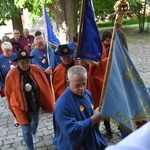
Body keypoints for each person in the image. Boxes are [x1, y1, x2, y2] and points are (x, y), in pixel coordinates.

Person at [5, 49, 54, 150]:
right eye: (22, 63)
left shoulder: (36, 69)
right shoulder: (11, 74)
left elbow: (44, 84)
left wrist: (47, 100)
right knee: (25, 129)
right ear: (18, 63)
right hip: (20, 105)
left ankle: (34, 132)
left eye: (27, 62)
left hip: (34, 103)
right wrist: (12, 107)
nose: (25, 65)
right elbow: (8, 92)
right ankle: (30, 148)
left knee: (35, 122)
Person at [53, 65, 107, 150]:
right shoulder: (62, 105)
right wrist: (94, 119)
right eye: (77, 85)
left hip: (91, 141)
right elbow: (72, 131)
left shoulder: (87, 94)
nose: (82, 88)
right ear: (68, 82)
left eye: (84, 84)